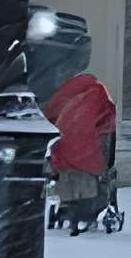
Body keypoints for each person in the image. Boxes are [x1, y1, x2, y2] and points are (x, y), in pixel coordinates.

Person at [43, 69, 117, 235]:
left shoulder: (63, 93)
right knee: (88, 178)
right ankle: (87, 212)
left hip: (62, 149)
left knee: (67, 176)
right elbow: (108, 123)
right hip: (87, 150)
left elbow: (48, 115)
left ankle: (67, 208)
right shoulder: (99, 92)